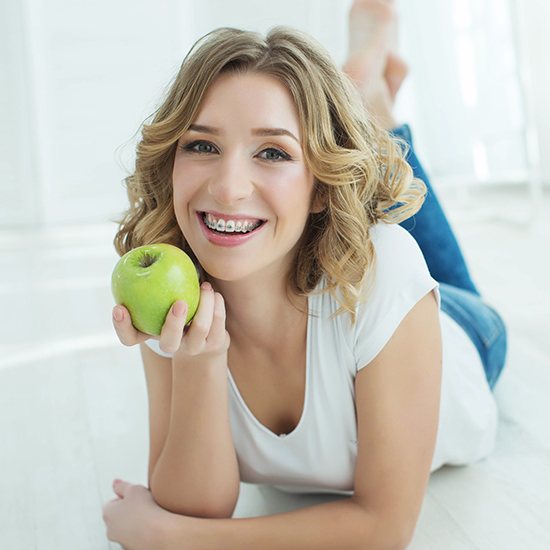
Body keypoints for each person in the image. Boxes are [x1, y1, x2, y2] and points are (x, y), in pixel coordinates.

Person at [102, 1, 507, 548]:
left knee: (396, 229)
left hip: (459, 333)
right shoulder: (169, 282)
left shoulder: (386, 271)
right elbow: (196, 506)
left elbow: (385, 527)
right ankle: (368, 100)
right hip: (335, 268)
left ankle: (372, 104)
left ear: (318, 185)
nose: (227, 186)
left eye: (271, 151)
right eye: (202, 145)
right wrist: (197, 363)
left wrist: (171, 539)